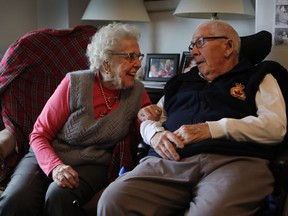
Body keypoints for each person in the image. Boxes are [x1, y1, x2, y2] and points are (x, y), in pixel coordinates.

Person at [97, 20, 288, 216]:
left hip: (235, 161)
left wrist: (210, 129)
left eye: (200, 42)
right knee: (113, 200)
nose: (194, 51)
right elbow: (152, 117)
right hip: (170, 161)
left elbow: (275, 127)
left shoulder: (259, 76)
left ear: (228, 46)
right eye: (192, 45)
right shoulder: (181, 82)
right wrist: (153, 133)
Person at [0, 22, 152, 216]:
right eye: (130, 57)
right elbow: (39, 134)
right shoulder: (75, 83)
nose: (138, 63)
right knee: (15, 200)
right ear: (106, 61)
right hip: (47, 156)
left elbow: (146, 126)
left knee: (60, 195)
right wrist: (55, 167)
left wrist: (150, 118)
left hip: (93, 163)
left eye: (138, 56)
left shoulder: (137, 92)